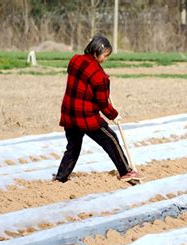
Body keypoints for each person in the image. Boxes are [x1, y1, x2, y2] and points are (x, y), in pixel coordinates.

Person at [54, 35, 145, 183]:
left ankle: (61, 177)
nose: (105, 59)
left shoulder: (74, 60)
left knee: (73, 147)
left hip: (69, 113)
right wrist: (114, 115)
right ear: (96, 51)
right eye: (104, 55)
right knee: (110, 139)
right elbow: (103, 103)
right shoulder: (99, 76)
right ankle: (126, 172)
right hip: (86, 116)